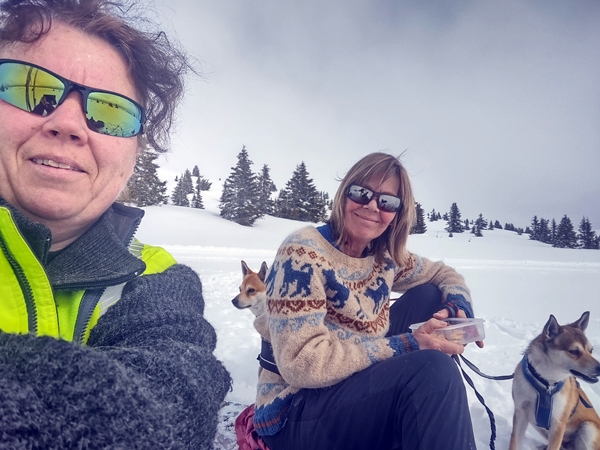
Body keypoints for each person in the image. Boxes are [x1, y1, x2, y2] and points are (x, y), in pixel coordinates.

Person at [0, 0, 231, 448]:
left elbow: (175, 397)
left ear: (134, 154)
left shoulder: (155, 276)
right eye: (31, 89)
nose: (68, 123)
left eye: (109, 112)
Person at [253, 152, 483, 450]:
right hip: (293, 410)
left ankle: (418, 421)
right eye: (362, 193)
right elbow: (301, 364)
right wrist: (411, 344)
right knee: (434, 372)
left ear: (397, 214)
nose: (373, 206)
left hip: (352, 379)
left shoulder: (383, 256)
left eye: (387, 201)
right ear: (344, 193)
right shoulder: (302, 254)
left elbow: (443, 273)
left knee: (429, 295)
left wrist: (457, 308)